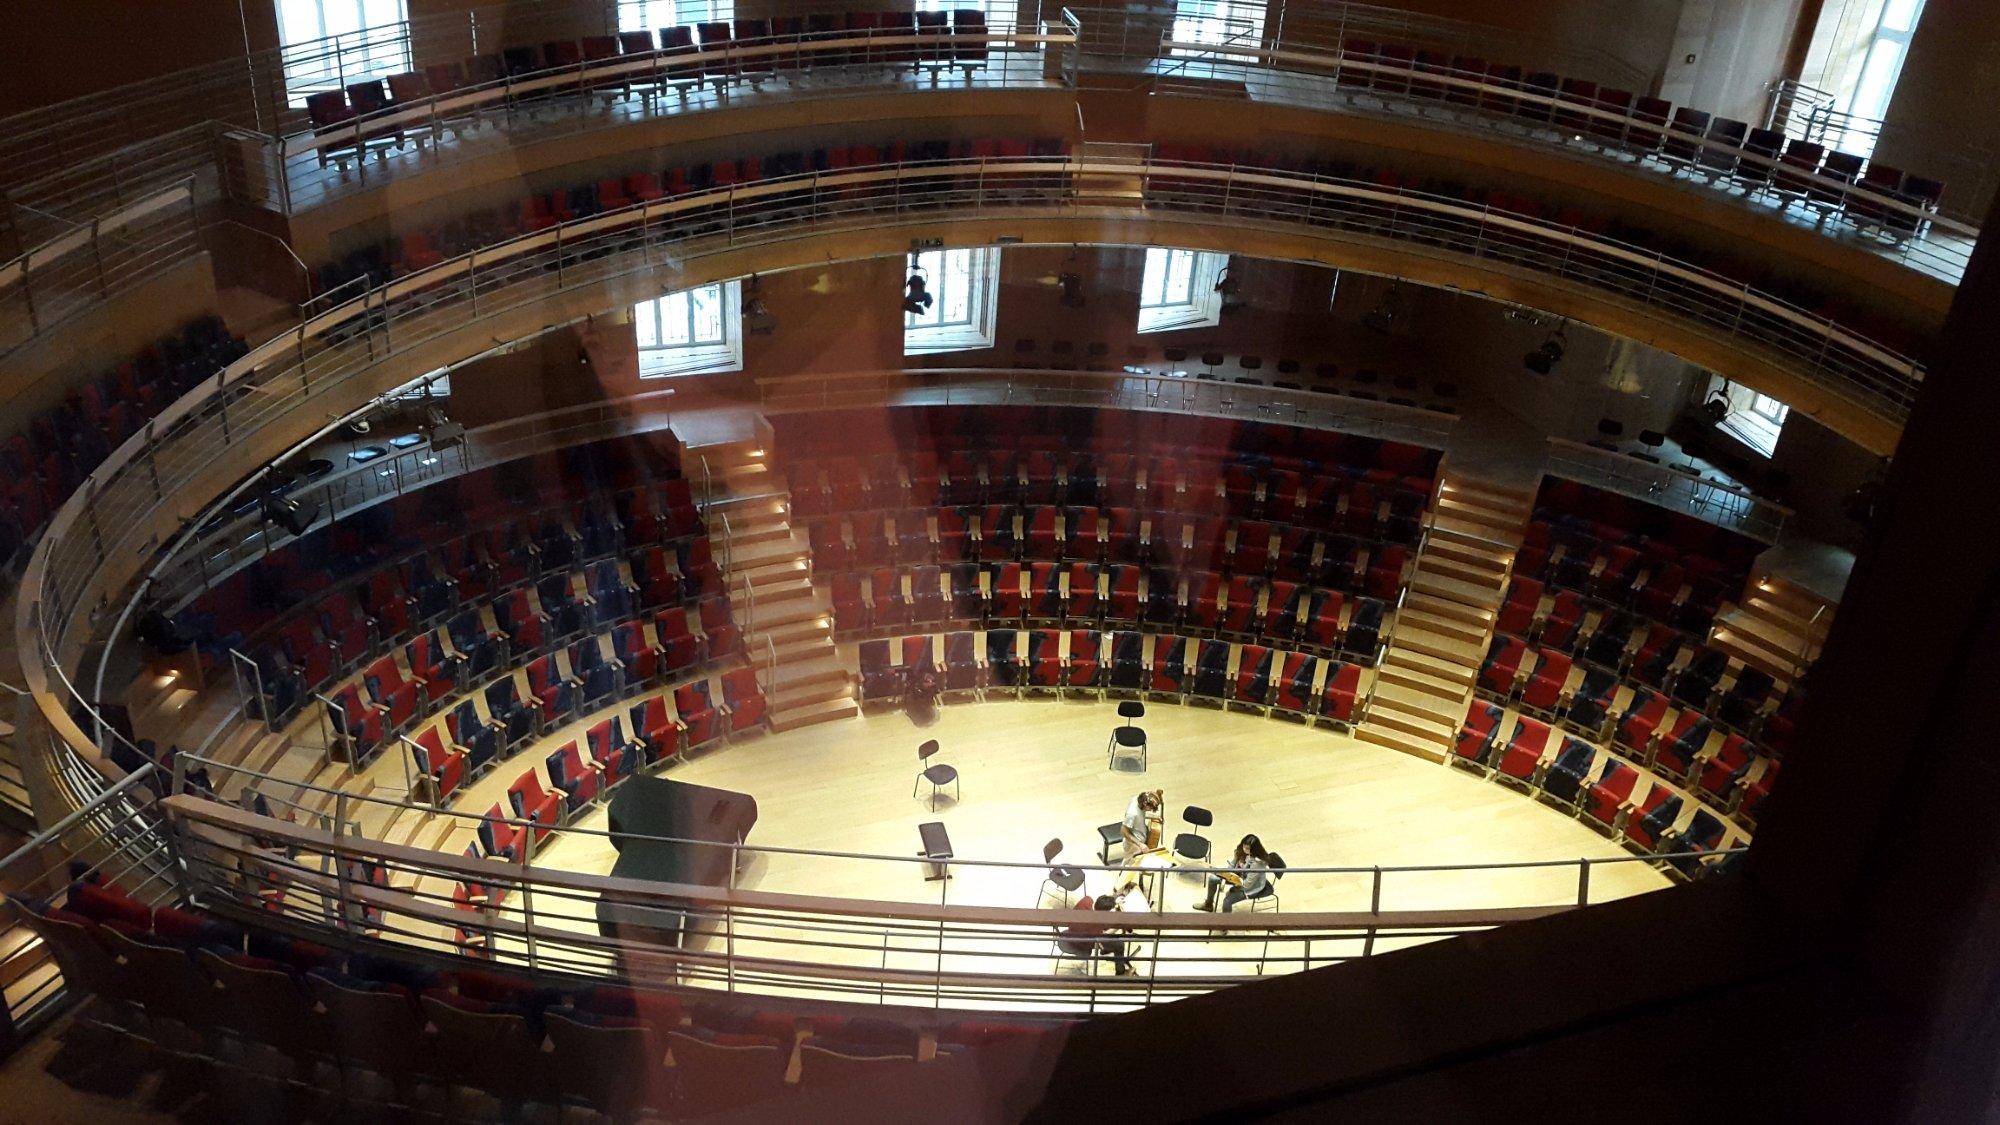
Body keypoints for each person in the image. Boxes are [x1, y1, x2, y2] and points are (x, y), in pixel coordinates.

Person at [1201, 834, 1272, 912]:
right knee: (1212, 879)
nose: (1244, 849)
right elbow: (1232, 865)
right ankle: (1208, 905)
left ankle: (1226, 923)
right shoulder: (1240, 851)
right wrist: (1225, 875)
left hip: (1250, 886)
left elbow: (1247, 884)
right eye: (1244, 846)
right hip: (1237, 877)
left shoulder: (1258, 863)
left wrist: (1235, 886)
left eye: (1248, 848)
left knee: (1227, 901)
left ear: (1255, 849)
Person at [1121, 789, 1163, 861]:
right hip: (1133, 844)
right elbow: (1123, 831)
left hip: (1141, 838)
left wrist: (1155, 817)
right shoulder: (1132, 814)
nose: (1150, 810)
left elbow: (1142, 814)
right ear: (1145, 803)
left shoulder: (1138, 799)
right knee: (1131, 866)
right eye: (1150, 808)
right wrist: (1140, 844)